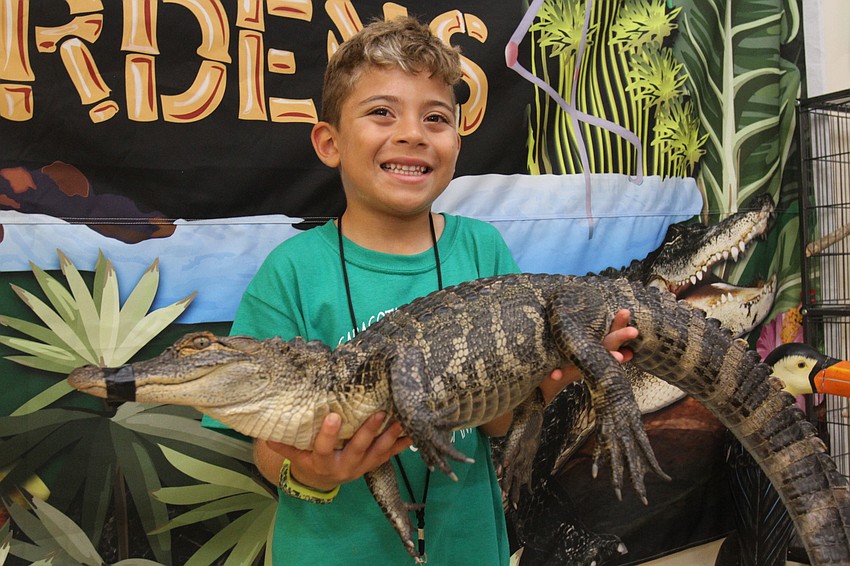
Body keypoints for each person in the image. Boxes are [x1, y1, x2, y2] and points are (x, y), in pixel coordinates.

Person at [205, 16, 637, 565]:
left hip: (466, 547)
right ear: (329, 142)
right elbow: (267, 446)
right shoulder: (290, 272)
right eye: (382, 112)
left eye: (435, 117)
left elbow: (497, 421)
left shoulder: (482, 249)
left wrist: (547, 382)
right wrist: (312, 472)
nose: (412, 133)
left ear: (456, 140)